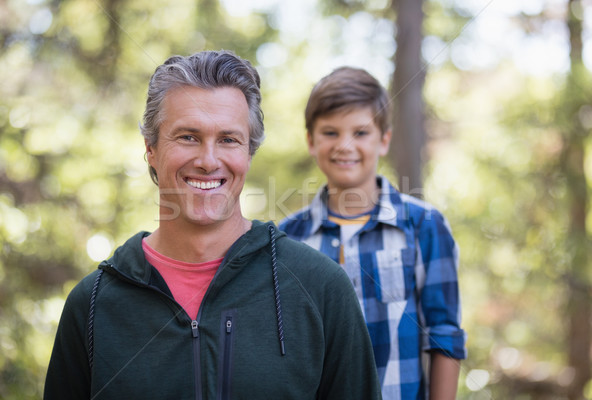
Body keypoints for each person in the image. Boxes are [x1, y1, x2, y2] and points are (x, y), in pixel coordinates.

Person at [44, 51, 382, 400]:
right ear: (151, 150)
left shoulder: (321, 288)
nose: (208, 160)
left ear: (248, 153)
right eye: (188, 137)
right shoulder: (93, 304)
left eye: (228, 139)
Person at [279, 67, 467, 400]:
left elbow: (444, 336)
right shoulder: (288, 238)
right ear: (311, 141)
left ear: (383, 140)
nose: (345, 145)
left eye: (361, 132)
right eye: (330, 132)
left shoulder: (424, 226)